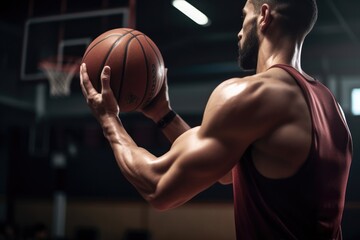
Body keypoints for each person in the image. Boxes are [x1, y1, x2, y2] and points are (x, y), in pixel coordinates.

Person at [80, 0, 353, 239]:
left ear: (264, 16)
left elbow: (158, 186)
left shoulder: (253, 94)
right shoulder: (332, 108)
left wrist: (109, 121)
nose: (239, 30)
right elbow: (224, 173)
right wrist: (163, 114)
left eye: (244, 15)